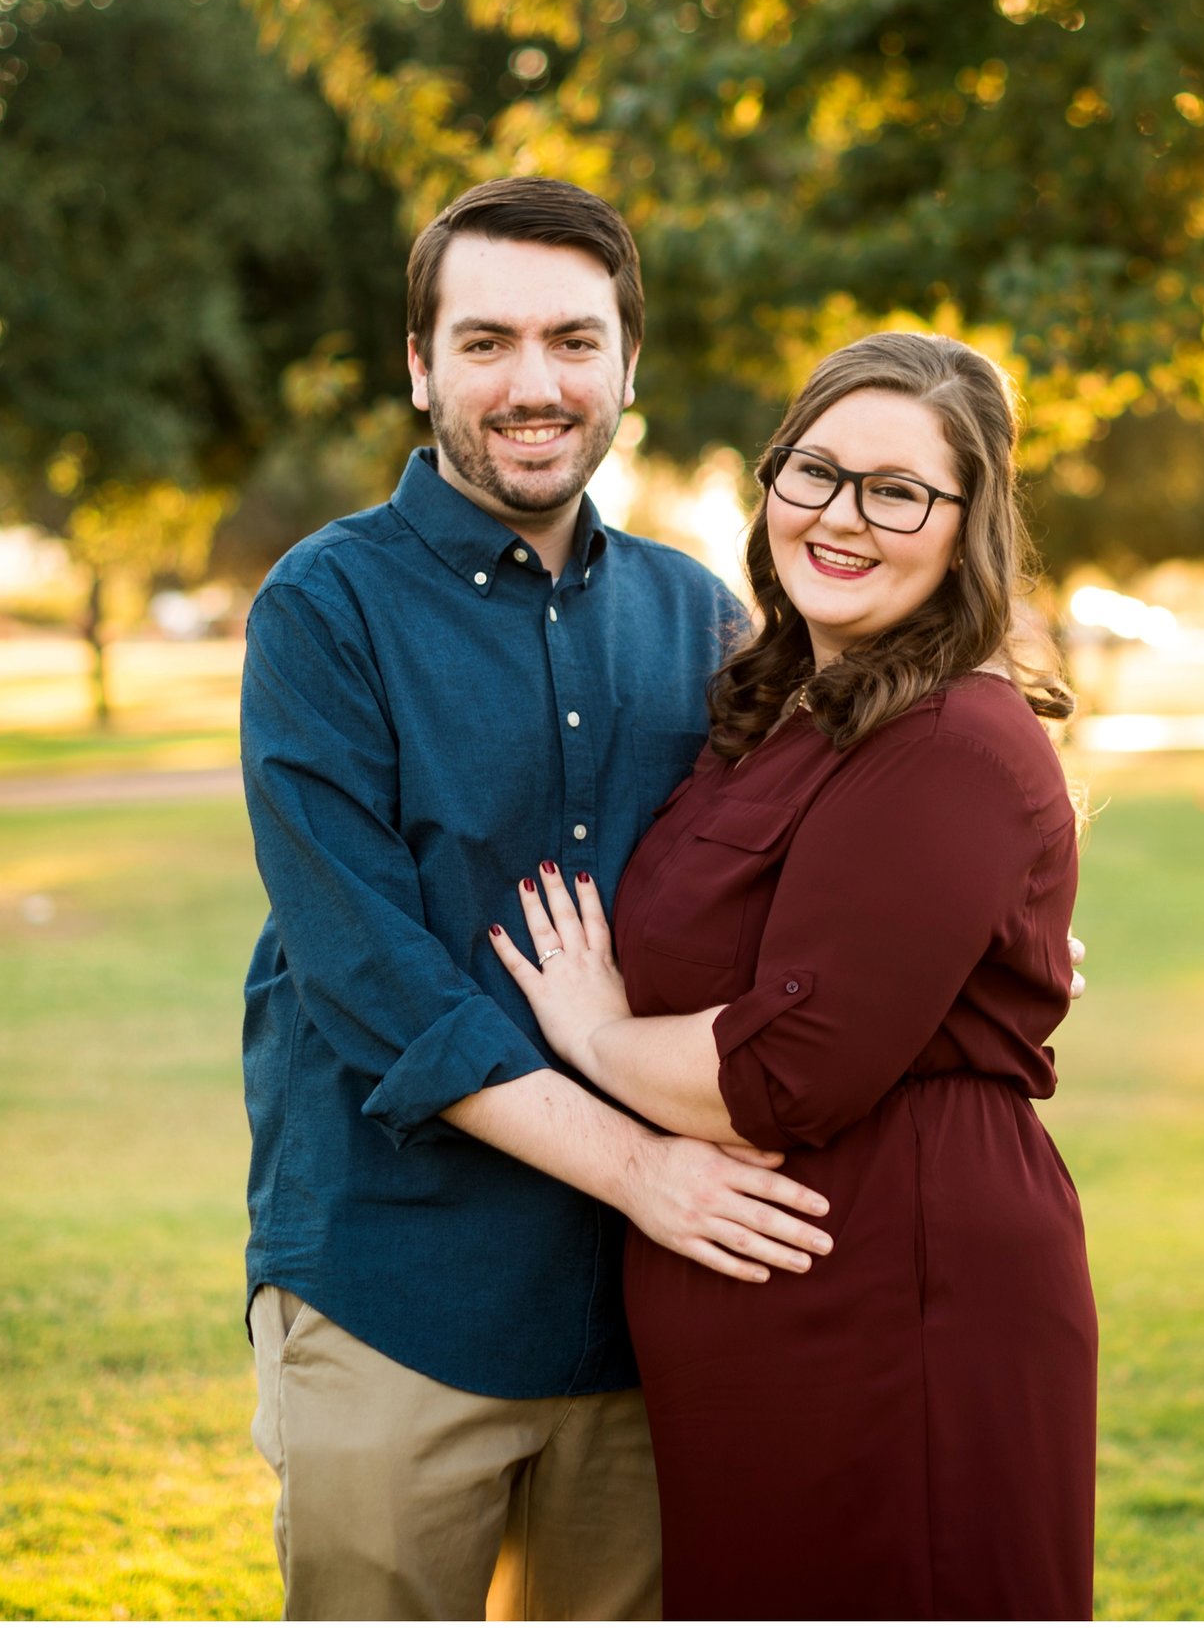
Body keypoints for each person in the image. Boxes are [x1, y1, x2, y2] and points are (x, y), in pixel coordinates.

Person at [237, 178, 838, 1621]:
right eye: (487, 339)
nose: (533, 384)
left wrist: (990, 927)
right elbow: (368, 974)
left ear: (629, 365)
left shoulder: (701, 616)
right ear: (421, 362)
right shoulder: (323, 611)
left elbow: (814, 868)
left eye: (574, 341)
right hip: (397, 1284)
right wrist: (640, 1166)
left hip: (644, 1317)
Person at [492, 332, 1098, 1619]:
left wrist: (595, 1034)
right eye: (813, 471)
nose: (842, 516)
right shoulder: (782, 712)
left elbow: (778, 1070)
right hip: (765, 1333)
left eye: (898, 491)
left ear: (966, 524)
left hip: (901, 1311)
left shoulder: (953, 741)